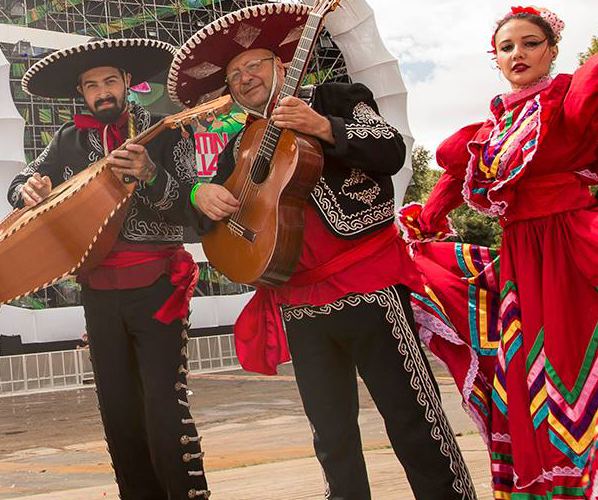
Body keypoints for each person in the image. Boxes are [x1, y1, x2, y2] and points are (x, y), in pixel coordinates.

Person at [173, 4, 476, 499]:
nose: (246, 77)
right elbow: (207, 211)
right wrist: (197, 195)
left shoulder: (338, 96)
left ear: (283, 66)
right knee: (331, 436)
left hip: (370, 286)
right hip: (299, 301)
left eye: (255, 64)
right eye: (235, 74)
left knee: (412, 417)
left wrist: (323, 126)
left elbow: (389, 150)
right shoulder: (240, 143)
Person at [400, 6, 598, 497]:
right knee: (531, 371)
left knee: (578, 357)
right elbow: (449, 182)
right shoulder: (490, 134)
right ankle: (553, 482)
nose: (518, 54)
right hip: (522, 261)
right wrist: (420, 225)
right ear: (495, 60)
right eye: (507, 47)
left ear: (552, 51)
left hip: (574, 243)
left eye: (531, 43)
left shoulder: (567, 99)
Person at [10, 38, 209, 499]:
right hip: (98, 294)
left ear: (126, 84)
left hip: (158, 287)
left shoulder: (166, 131)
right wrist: (29, 189)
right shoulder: (67, 141)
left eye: (109, 82)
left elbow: (193, 211)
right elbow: (18, 181)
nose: (102, 92)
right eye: (91, 85)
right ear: (81, 93)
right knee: (118, 412)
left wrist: (152, 175)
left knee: (164, 410)